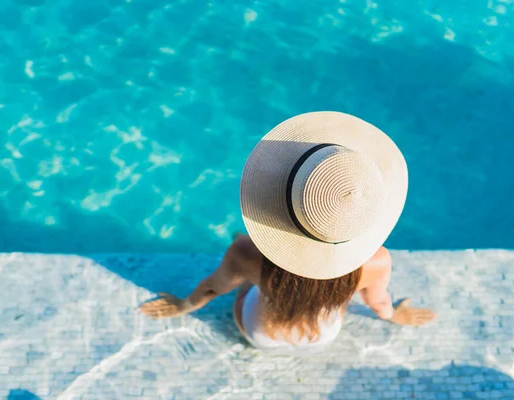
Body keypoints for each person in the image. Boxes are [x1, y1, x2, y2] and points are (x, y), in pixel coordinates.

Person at [140, 112, 435, 352]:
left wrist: (182, 306)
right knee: (326, 295)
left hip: (260, 333)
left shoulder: (247, 252)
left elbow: (213, 288)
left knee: (246, 279)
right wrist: (397, 316)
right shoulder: (377, 262)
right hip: (324, 333)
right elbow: (379, 303)